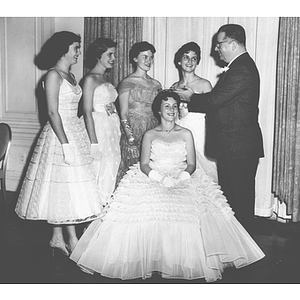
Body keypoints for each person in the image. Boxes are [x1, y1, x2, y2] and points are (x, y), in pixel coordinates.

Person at [70, 89, 265, 282]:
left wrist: (182, 177)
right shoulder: (150, 134)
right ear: (158, 111)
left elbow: (191, 164)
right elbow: (144, 164)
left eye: (174, 106)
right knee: (147, 207)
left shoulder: (186, 133)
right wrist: (158, 178)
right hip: (154, 175)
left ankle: (179, 259)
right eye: (167, 106)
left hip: (181, 175)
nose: (171, 110)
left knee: (192, 208)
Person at [15, 31, 104, 256]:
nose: (79, 52)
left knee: (66, 187)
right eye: (75, 47)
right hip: (59, 135)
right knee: (63, 185)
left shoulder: (71, 76)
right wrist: (65, 144)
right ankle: (72, 239)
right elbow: (53, 112)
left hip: (74, 131)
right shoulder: (53, 75)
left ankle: (57, 237)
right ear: (63, 49)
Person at [176, 24, 264, 233]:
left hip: (237, 147)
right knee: (236, 200)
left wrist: (191, 98)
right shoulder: (240, 66)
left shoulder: (241, 68)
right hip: (235, 146)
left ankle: (241, 247)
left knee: (237, 201)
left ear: (232, 44)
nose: (217, 50)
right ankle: (240, 245)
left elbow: (215, 100)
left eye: (219, 45)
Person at [82, 38, 121, 205]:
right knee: (99, 168)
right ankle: (94, 211)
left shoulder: (105, 77)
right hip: (98, 129)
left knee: (111, 164)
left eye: (114, 54)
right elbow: (86, 111)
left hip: (111, 128)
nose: (113, 58)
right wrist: (93, 142)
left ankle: (103, 207)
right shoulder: (90, 79)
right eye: (109, 54)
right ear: (99, 55)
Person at [116, 41, 162, 184]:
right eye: (144, 57)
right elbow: (123, 113)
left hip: (152, 129)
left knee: (152, 169)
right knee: (132, 169)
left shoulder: (156, 84)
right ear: (135, 59)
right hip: (133, 129)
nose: (148, 61)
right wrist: (130, 139)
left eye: (151, 57)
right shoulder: (127, 82)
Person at [171, 42, 217, 182]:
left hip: (198, 130)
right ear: (179, 61)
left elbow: (213, 111)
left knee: (203, 167)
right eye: (186, 57)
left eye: (194, 58)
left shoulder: (204, 84)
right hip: (180, 128)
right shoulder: (174, 86)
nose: (190, 61)